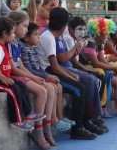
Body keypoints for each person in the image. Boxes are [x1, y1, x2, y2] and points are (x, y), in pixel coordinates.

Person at [35, 7, 97, 140]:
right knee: (79, 88)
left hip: (51, 70)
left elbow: (56, 66)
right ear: (63, 26)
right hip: (47, 72)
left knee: (81, 84)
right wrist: (70, 76)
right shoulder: (48, 38)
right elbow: (54, 67)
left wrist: (71, 75)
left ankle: (85, 122)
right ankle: (77, 129)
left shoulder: (51, 36)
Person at [7, 11, 56, 149]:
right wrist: (33, 77)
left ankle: (46, 127)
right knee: (42, 91)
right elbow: (13, 69)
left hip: (20, 73)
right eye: (24, 26)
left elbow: (20, 65)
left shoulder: (15, 42)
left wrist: (34, 77)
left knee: (50, 88)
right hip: (13, 75)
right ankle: (38, 130)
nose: (26, 30)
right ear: (14, 26)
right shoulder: (10, 43)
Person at [0, 17, 39, 132]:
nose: (14, 35)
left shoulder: (3, 46)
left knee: (22, 86)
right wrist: (3, 78)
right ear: (4, 33)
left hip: (1, 78)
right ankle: (17, 120)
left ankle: (28, 113)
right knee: (13, 90)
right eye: (13, 32)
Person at [19, 22, 72, 133]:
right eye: (36, 35)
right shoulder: (24, 49)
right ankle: (49, 122)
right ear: (26, 37)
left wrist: (48, 75)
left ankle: (58, 118)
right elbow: (29, 69)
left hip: (37, 75)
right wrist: (46, 76)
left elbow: (38, 68)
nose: (39, 38)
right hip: (31, 76)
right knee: (51, 88)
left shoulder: (32, 49)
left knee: (58, 86)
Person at [81, 17, 117, 117]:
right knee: (102, 72)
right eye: (106, 33)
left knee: (108, 73)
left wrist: (115, 70)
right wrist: (115, 68)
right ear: (99, 32)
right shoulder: (89, 41)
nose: (107, 36)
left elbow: (102, 61)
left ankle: (103, 106)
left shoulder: (99, 44)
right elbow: (96, 63)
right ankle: (98, 108)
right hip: (82, 67)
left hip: (90, 67)